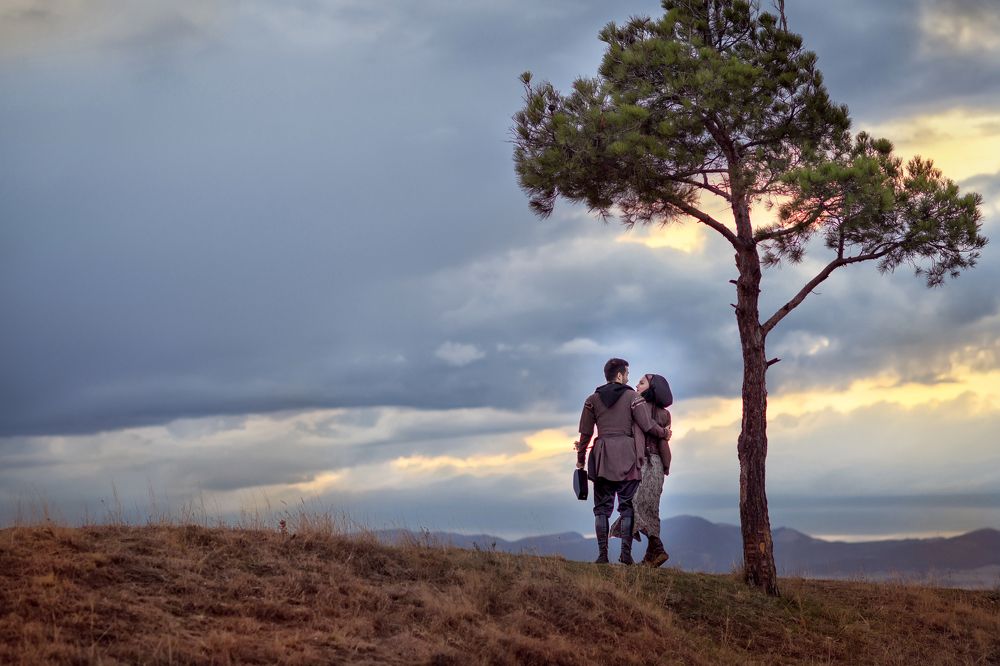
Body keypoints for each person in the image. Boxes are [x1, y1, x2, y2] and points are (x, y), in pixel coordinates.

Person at [576, 358, 669, 564]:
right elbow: (647, 425)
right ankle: (625, 556)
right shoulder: (633, 398)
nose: (628, 378)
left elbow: (585, 434)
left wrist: (580, 461)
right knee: (626, 507)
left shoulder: (592, 400)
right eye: (627, 374)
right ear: (619, 375)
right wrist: (664, 432)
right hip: (628, 457)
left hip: (602, 458)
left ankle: (602, 556)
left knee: (601, 508)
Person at [611, 373, 673, 567]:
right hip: (658, 466)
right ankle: (650, 556)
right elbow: (661, 436)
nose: (636, 385)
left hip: (642, 463)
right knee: (650, 509)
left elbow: (643, 428)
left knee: (633, 505)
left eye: (641, 382)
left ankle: (656, 548)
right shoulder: (666, 414)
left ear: (651, 387)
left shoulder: (637, 407)